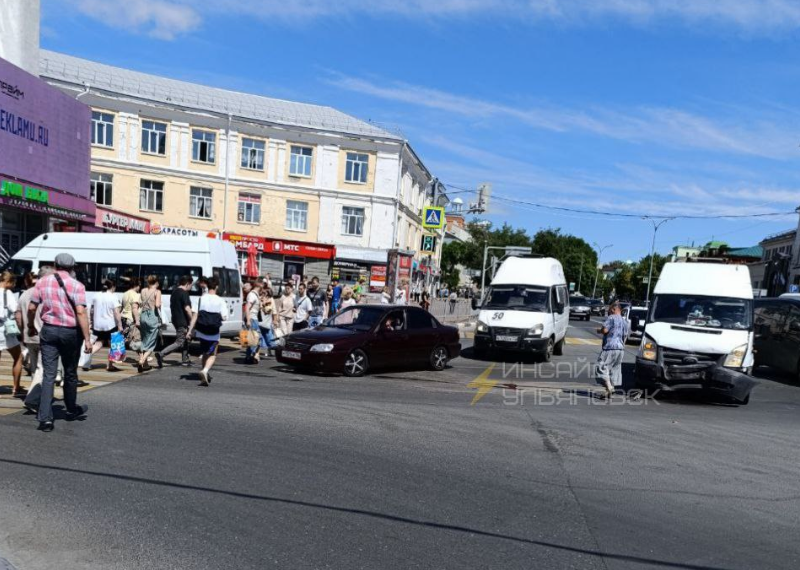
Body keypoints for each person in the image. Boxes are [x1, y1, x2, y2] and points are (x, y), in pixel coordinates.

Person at [23, 253, 91, 432]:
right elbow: (81, 312)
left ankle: (45, 419)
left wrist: (30, 326)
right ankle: (71, 410)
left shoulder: (42, 282)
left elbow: (32, 307)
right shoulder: (77, 285)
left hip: (49, 330)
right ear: (73, 267)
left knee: (49, 375)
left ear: (54, 264)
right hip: (70, 333)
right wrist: (87, 338)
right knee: (70, 373)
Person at [16, 269, 51, 405]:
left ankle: (37, 395)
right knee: (42, 368)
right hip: (43, 334)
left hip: (29, 336)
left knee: (35, 368)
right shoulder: (45, 293)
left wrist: (23, 331)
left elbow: (18, 317)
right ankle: (33, 398)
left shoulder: (24, 294)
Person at [187, 277, 229, 386]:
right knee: (213, 354)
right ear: (217, 286)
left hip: (202, 331)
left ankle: (204, 372)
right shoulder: (220, 300)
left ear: (207, 285)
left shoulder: (201, 299)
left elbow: (194, 316)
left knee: (205, 353)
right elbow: (225, 317)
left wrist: (190, 330)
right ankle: (205, 371)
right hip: (213, 332)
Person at [155, 275, 193, 368]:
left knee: (185, 339)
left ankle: (185, 359)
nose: (191, 287)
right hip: (182, 320)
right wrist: (192, 319)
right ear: (187, 284)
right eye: (191, 285)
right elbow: (187, 309)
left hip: (175, 319)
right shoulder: (184, 293)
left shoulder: (174, 292)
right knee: (180, 341)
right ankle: (161, 354)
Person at [88, 279, 123, 372]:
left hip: (98, 324)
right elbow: (116, 312)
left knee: (98, 343)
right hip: (110, 324)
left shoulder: (96, 296)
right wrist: (120, 325)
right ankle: (110, 365)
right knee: (112, 345)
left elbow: (91, 311)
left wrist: (91, 322)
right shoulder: (113, 297)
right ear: (113, 287)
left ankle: (86, 361)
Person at [596, 301, 629, 398]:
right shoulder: (624, 321)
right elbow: (625, 336)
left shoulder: (611, 318)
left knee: (601, 366)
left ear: (614, 309)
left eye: (610, 310)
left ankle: (610, 387)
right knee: (615, 369)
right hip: (620, 349)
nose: (609, 312)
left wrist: (599, 330)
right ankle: (609, 391)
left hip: (610, 347)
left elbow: (605, 330)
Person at [1, 271, 25, 398]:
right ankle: (16, 388)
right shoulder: (7, 293)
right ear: (8, 281)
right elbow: (15, 309)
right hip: (4, 330)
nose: (14, 285)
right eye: (13, 283)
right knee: (18, 357)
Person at [136, 275, 162, 373]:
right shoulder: (157, 292)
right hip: (152, 317)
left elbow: (140, 303)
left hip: (143, 316)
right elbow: (157, 305)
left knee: (145, 339)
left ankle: (145, 364)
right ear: (157, 282)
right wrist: (160, 304)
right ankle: (142, 360)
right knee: (152, 342)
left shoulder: (143, 290)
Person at [244, 280, 262, 363]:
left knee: (253, 339)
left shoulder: (255, 295)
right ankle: (250, 356)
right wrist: (248, 320)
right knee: (255, 339)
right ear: (259, 286)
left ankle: (249, 356)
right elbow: (247, 307)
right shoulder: (252, 295)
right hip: (252, 319)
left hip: (254, 318)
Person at [259, 287, 278, 358]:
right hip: (260, 321)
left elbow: (273, 311)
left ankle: (275, 349)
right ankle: (262, 351)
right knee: (260, 337)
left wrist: (275, 320)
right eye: (262, 292)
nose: (263, 293)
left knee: (269, 337)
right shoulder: (260, 298)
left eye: (264, 292)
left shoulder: (271, 300)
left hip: (267, 321)